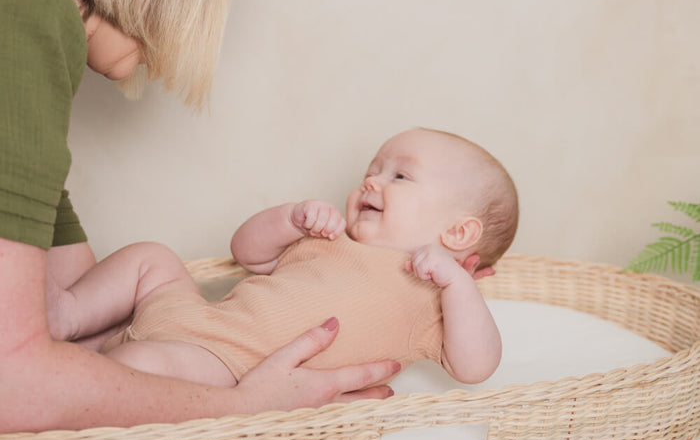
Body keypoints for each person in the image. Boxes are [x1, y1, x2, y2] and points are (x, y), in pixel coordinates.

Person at [0, 0, 404, 433]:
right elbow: (15, 386)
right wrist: (247, 407)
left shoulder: (28, 24)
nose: (217, 19)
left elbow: (83, 336)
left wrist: (221, 354)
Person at [50, 128, 519, 389]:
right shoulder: (329, 237)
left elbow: (476, 366)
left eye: (399, 176)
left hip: (227, 368)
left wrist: (458, 286)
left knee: (141, 367)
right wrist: (290, 220)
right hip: (195, 317)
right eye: (371, 171)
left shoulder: (430, 299)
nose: (371, 183)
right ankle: (64, 317)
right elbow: (247, 253)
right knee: (150, 257)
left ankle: (77, 370)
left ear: (457, 232)